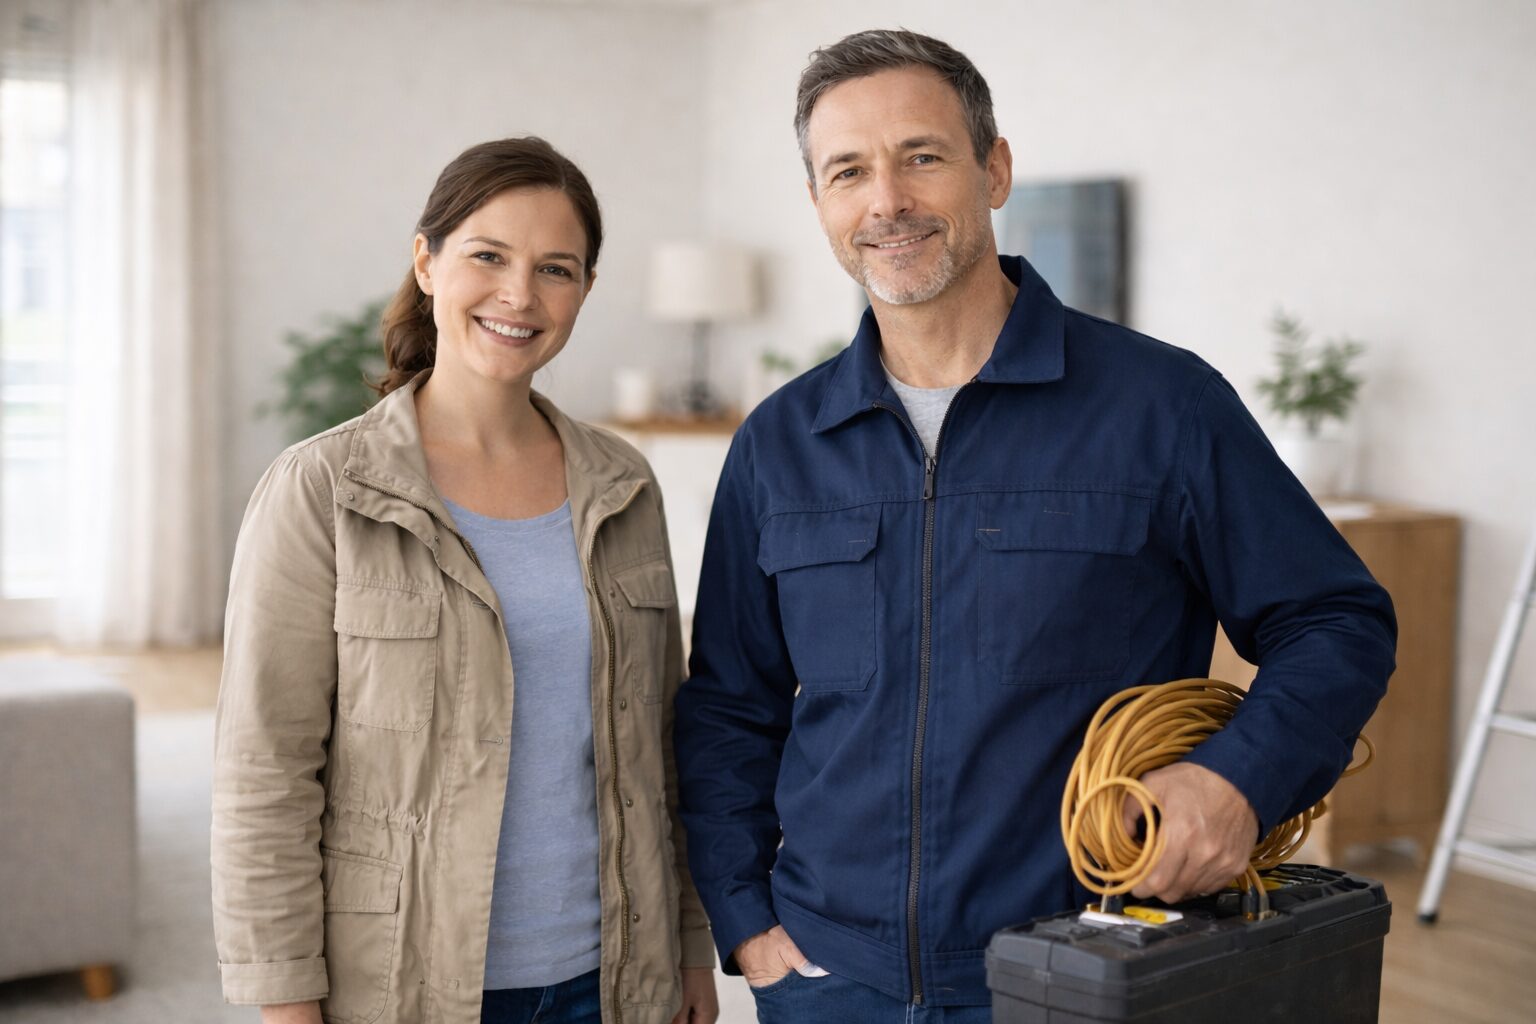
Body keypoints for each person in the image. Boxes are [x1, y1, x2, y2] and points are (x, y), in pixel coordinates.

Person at [674, 29, 1396, 1023]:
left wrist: (1238, 780)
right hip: (829, 980)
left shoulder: (1162, 406)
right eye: (849, 171)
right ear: (820, 204)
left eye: (922, 156)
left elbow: (1336, 619)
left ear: (994, 168)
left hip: (1084, 966)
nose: (886, 201)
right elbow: (729, 705)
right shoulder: (778, 444)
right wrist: (747, 918)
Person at [212, 137, 718, 1024]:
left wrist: (687, 951)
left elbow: (662, 755)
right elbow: (265, 771)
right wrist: (285, 1003)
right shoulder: (324, 490)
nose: (520, 295)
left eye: (555, 269)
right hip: (406, 988)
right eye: (488, 256)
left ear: (585, 292)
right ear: (428, 260)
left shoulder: (625, 487)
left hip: (611, 982)